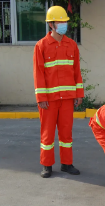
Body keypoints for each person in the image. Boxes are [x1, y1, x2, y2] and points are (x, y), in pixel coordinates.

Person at [33, 6, 84, 178]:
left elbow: (77, 71)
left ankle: (66, 164)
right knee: (47, 133)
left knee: (66, 132)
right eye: (60, 22)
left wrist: (79, 94)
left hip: (68, 99)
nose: (63, 25)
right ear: (51, 24)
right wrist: (41, 97)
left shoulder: (72, 45)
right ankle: (47, 165)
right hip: (49, 100)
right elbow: (38, 73)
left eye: (65, 22)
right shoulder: (41, 46)